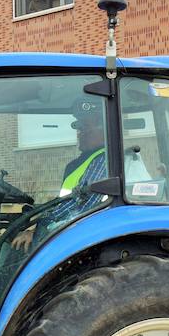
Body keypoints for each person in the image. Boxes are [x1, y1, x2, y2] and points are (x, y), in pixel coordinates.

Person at [10, 98, 110, 250]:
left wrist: (39, 232)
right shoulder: (85, 161)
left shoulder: (103, 160)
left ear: (104, 129)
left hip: (78, 235)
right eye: (78, 127)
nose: (80, 132)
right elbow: (68, 201)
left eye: (85, 127)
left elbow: (82, 205)